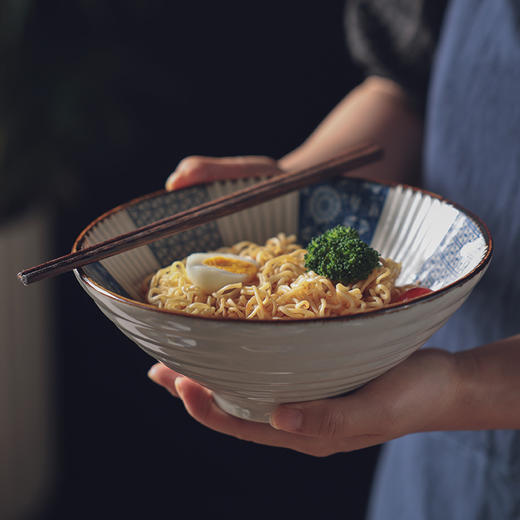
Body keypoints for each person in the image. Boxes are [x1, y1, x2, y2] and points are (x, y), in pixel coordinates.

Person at [147, 1, 520, 518]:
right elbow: (403, 83)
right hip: (425, 391)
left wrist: (462, 386)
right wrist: (292, 186)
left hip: (445, 384)